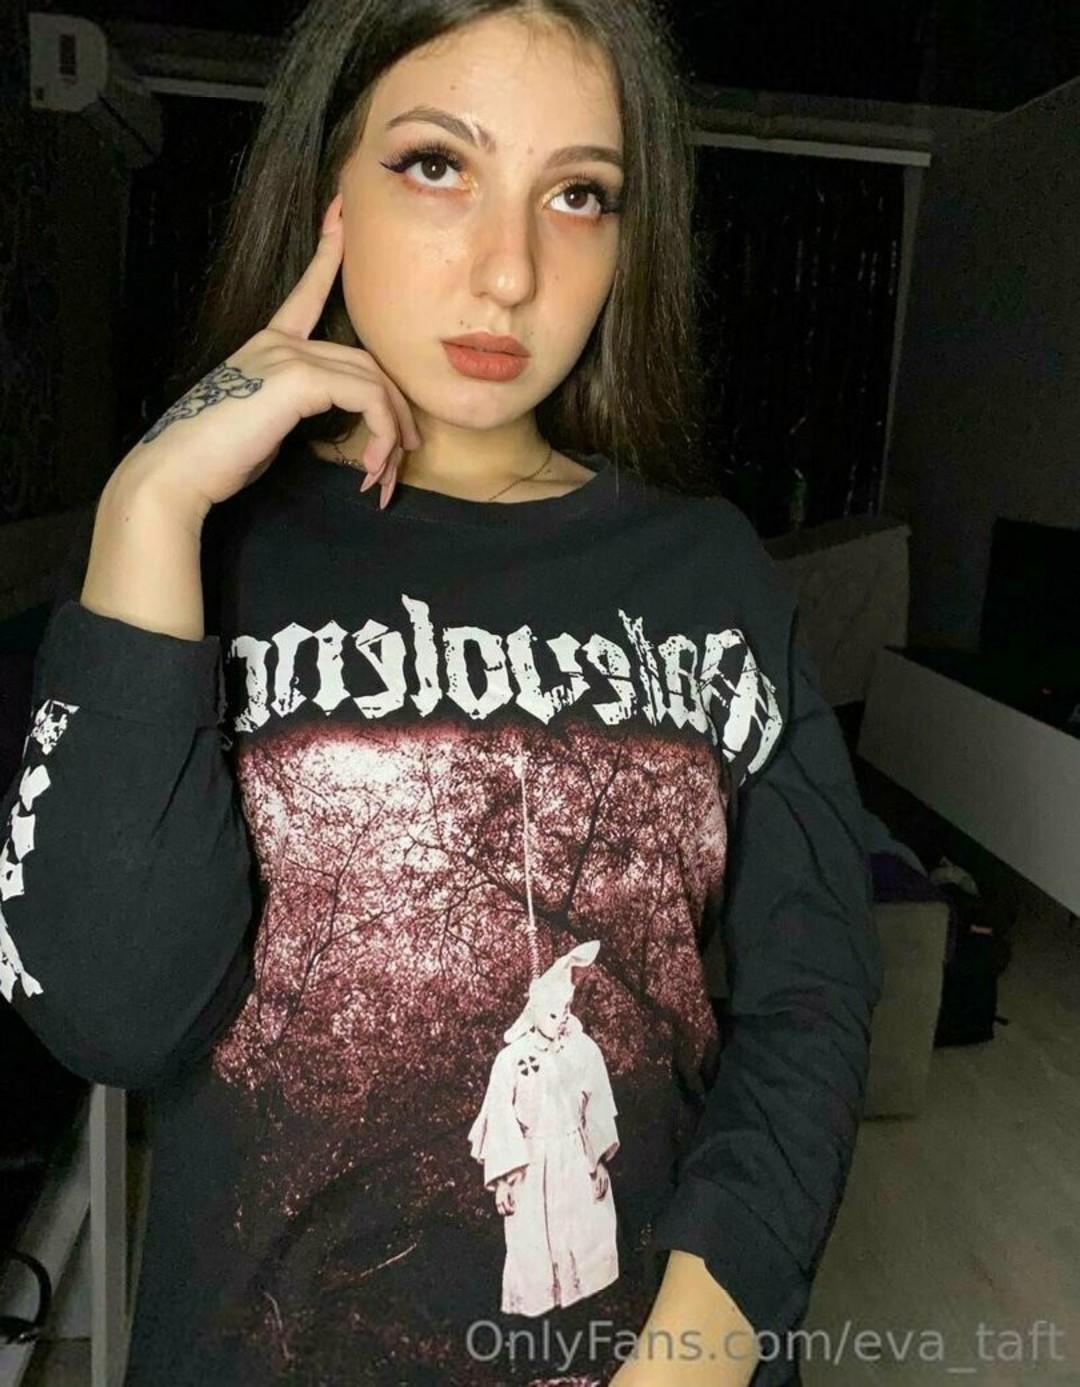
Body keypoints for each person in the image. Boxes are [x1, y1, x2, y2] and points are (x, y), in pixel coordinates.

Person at [0, 1, 884, 1383]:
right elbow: (109, 1018)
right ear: (328, 192)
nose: (510, 271)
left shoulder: (710, 574)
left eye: (578, 195)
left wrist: (699, 1351)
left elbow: (814, 993)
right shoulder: (193, 558)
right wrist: (151, 499)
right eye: (436, 165)